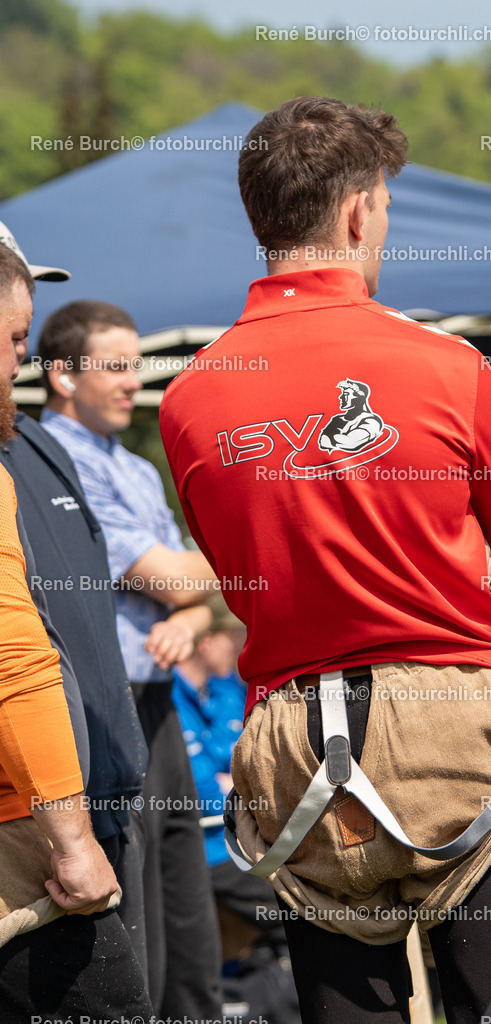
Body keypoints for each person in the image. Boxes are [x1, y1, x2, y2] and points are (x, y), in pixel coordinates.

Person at [159, 96, 491, 1024]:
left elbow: (243, 582)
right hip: (454, 723)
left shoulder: (187, 399)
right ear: (356, 211)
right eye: (384, 205)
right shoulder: (449, 365)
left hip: (295, 740)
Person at [38, 300, 222, 1020]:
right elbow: (183, 576)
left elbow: (193, 595)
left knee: (189, 919)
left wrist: (194, 608)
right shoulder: (51, 465)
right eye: (114, 367)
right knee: (136, 923)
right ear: (61, 374)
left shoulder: (138, 470)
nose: (131, 384)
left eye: (135, 367)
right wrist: (199, 583)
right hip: (100, 714)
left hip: (160, 705)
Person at [0, 241, 152, 1022]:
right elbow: (15, 659)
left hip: (97, 790)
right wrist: (68, 834)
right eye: (15, 339)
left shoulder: (39, 448)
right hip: (34, 832)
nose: (22, 358)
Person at [172, 606, 301, 1024]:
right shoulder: (172, 696)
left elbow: (262, 768)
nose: (239, 649)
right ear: (205, 642)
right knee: (299, 911)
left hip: (247, 843)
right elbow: (206, 791)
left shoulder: (219, 691)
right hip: (213, 852)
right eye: (230, 639)